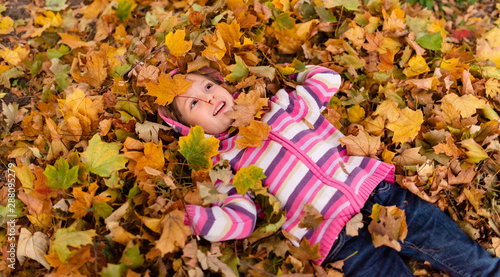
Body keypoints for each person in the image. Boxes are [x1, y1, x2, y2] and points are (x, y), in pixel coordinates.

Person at [158, 65, 500, 276]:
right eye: (193, 105)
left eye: (205, 87)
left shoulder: (280, 106)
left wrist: (300, 76)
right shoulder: (225, 164)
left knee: (454, 248)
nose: (207, 98)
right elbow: (242, 215)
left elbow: (325, 81)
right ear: (190, 129)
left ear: (221, 84)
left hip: (375, 194)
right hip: (334, 237)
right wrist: (198, 219)